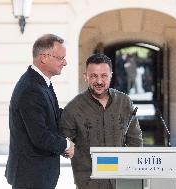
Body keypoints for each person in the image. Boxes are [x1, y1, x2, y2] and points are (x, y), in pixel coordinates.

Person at [59, 53, 143, 189]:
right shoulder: (73, 107)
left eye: (104, 75)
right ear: (85, 77)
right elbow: (63, 143)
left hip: (121, 181)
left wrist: (133, 170)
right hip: (89, 182)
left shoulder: (125, 102)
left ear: (111, 76)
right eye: (93, 76)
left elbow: (135, 140)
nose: (99, 81)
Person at [5, 34, 75, 189]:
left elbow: (53, 115)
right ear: (44, 57)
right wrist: (66, 144)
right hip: (31, 177)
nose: (65, 62)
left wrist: (80, 117)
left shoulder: (41, 82)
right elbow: (40, 136)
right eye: (60, 58)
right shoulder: (31, 88)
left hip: (37, 175)